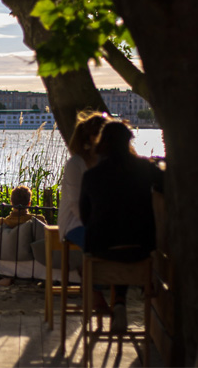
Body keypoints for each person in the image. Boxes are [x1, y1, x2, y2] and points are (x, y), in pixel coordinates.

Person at [80, 121, 163, 333]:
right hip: (140, 249)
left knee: (116, 241)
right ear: (128, 142)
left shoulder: (91, 176)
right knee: (126, 240)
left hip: (101, 250)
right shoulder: (144, 169)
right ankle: (120, 302)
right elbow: (166, 184)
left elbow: (84, 216)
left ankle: (118, 304)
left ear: (103, 144)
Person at [57, 111, 110, 247]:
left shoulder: (105, 162)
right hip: (74, 223)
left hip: (100, 222)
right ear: (93, 138)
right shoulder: (76, 164)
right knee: (101, 242)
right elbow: (76, 205)